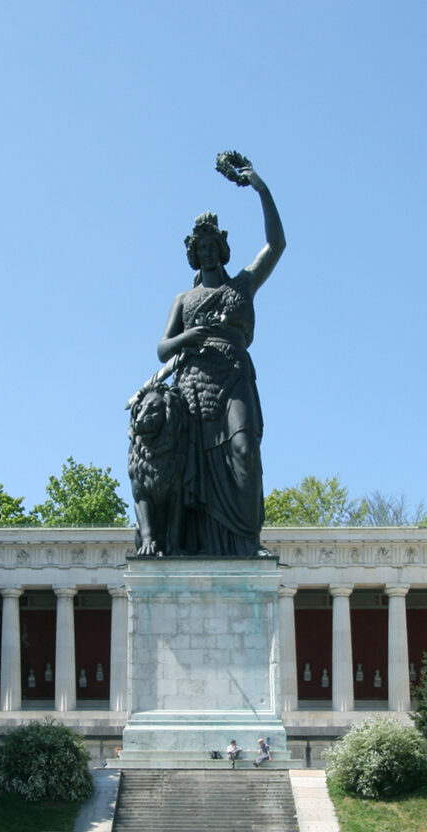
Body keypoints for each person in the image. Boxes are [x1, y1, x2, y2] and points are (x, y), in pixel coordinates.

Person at [154, 159, 285, 557]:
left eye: (213, 246)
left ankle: (247, 541)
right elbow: (162, 348)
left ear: (223, 249)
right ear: (194, 254)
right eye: (201, 248)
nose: (208, 252)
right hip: (193, 386)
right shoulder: (184, 299)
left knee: (244, 450)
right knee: (192, 470)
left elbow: (276, 245)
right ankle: (191, 544)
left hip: (233, 377)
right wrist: (187, 337)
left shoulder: (243, 284)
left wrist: (261, 188)